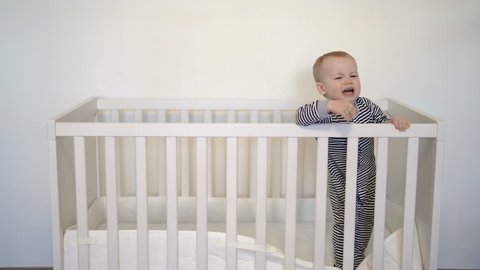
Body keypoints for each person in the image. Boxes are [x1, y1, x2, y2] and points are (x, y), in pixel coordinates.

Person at [296, 51, 410, 269]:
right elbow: (300, 116)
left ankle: (357, 254)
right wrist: (330, 105)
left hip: (367, 176)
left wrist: (395, 122)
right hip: (340, 179)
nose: (348, 81)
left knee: (366, 220)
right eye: (338, 78)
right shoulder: (323, 111)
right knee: (344, 222)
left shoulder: (367, 106)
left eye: (353, 75)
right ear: (322, 88)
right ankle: (343, 263)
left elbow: (383, 122)